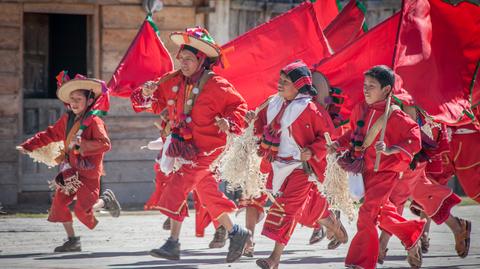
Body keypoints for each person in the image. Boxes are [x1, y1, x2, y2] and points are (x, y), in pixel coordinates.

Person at [130, 26, 250, 262]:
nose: (182, 63)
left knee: (177, 184)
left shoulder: (217, 85)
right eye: (181, 58)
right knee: (207, 194)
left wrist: (229, 122)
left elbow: (240, 107)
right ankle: (238, 233)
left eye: (188, 59)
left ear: (201, 60)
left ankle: (173, 243)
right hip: (183, 146)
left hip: (207, 148)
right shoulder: (172, 80)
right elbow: (150, 102)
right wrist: (145, 92)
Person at [252, 60, 348, 268]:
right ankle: (330, 221)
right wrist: (250, 124)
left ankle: (274, 259)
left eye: (286, 81)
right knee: (303, 210)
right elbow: (258, 125)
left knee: (287, 208)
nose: (280, 84)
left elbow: (328, 138)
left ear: (299, 86)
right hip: (278, 165)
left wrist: (312, 150)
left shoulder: (311, 110)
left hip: (301, 168)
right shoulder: (273, 104)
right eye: (281, 80)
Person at [328, 65, 425, 269]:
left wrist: (391, 149)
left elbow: (414, 141)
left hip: (385, 173)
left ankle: (361, 262)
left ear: (387, 90)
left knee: (366, 215)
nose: (366, 89)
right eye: (365, 85)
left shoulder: (396, 116)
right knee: (381, 214)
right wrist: (339, 143)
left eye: (372, 86)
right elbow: (353, 134)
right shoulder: (360, 109)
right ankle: (411, 233)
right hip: (364, 171)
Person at [17, 73, 121, 252]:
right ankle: (73, 240)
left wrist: (82, 145)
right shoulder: (67, 119)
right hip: (70, 171)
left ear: (89, 101)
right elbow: (50, 134)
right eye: (72, 98)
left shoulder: (95, 122)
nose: (74, 102)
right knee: (58, 205)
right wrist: (29, 145)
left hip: (88, 173)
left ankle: (105, 200)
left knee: (83, 211)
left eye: (78, 98)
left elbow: (105, 144)